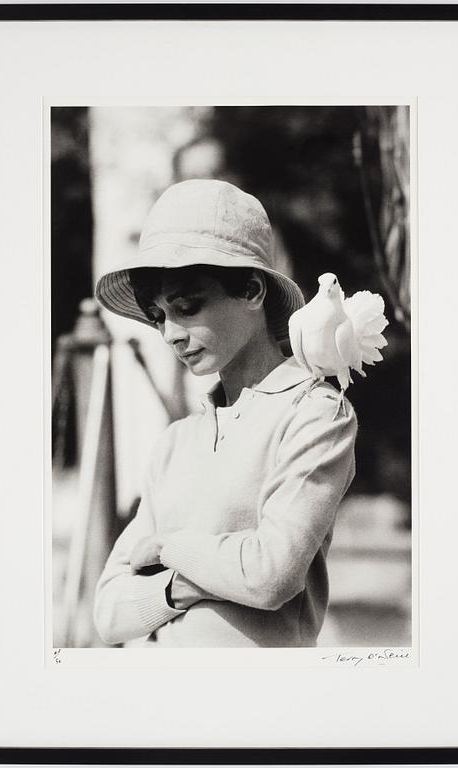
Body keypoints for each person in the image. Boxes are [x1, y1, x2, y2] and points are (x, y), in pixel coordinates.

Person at [93, 179, 357, 647]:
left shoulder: (315, 413)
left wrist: (165, 547)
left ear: (252, 290)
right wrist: (184, 584)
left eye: (187, 307)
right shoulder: (176, 441)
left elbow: (271, 575)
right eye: (158, 317)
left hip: (263, 706)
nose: (171, 334)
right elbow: (109, 612)